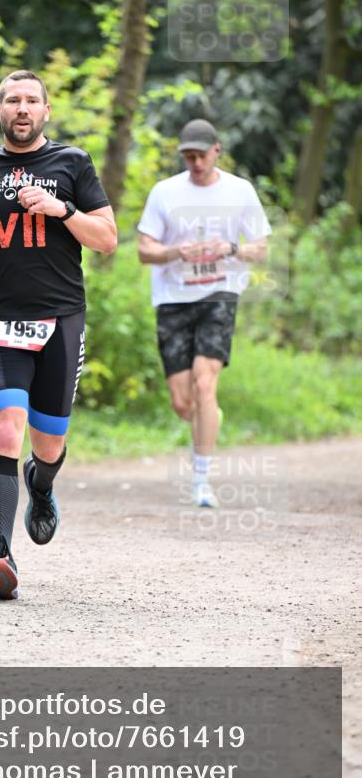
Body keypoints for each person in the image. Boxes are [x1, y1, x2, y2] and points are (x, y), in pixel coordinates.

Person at [0, 70, 116, 600]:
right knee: (6, 433)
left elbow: (106, 239)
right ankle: (1, 559)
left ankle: (42, 484)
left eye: (31, 100)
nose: (21, 108)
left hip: (61, 321)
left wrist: (63, 209)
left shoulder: (72, 164)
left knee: (48, 444)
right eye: (12, 100)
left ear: (45, 111)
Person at [137, 118, 271, 508]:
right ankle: (208, 417)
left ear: (217, 150)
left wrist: (230, 249)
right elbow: (144, 250)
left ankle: (200, 481)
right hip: (173, 298)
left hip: (220, 292)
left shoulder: (240, 191)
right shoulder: (165, 193)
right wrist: (177, 251)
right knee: (184, 401)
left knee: (204, 381)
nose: (195, 163)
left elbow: (260, 248)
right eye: (188, 156)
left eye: (201, 155)